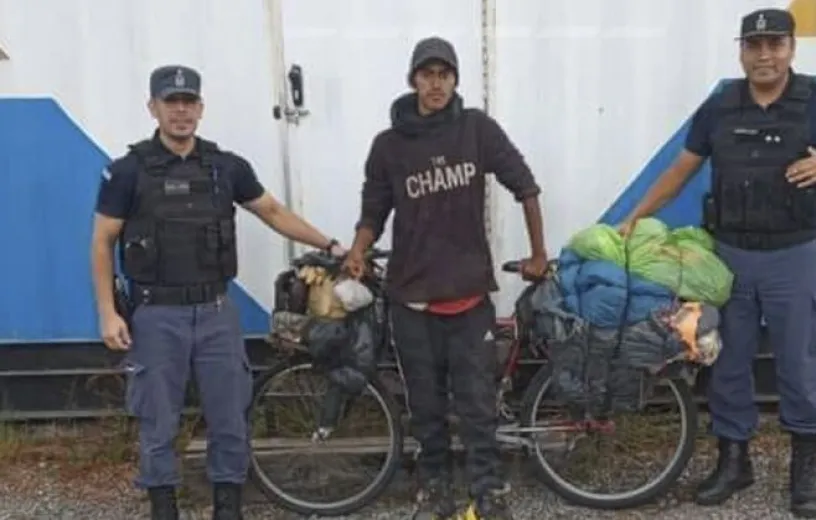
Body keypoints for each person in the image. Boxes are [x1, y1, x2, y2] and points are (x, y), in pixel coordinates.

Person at [618, 8, 816, 519]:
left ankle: (804, 475)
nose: (765, 55)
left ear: (791, 48)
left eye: (775, 45)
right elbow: (681, 170)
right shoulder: (719, 107)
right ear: (741, 51)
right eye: (754, 45)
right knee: (726, 365)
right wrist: (634, 218)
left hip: (795, 256)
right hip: (729, 259)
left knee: (802, 366)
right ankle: (733, 463)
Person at [90, 65, 344, 520]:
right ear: (154, 108)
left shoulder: (227, 167)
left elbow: (272, 211)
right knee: (158, 424)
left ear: (201, 108)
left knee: (229, 422)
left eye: (189, 101)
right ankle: (164, 509)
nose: (181, 110)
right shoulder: (127, 171)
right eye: (171, 102)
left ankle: (228, 510)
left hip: (215, 313)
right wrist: (108, 313)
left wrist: (328, 244)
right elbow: (102, 241)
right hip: (155, 316)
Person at [343, 36, 547, 520]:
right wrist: (357, 248)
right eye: (427, 74)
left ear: (455, 80)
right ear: (413, 79)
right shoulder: (388, 146)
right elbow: (373, 210)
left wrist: (539, 252)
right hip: (411, 300)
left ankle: (488, 491)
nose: (436, 83)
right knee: (427, 407)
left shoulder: (477, 130)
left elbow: (525, 185)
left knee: (477, 405)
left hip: (469, 296)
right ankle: (434, 489)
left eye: (445, 74)